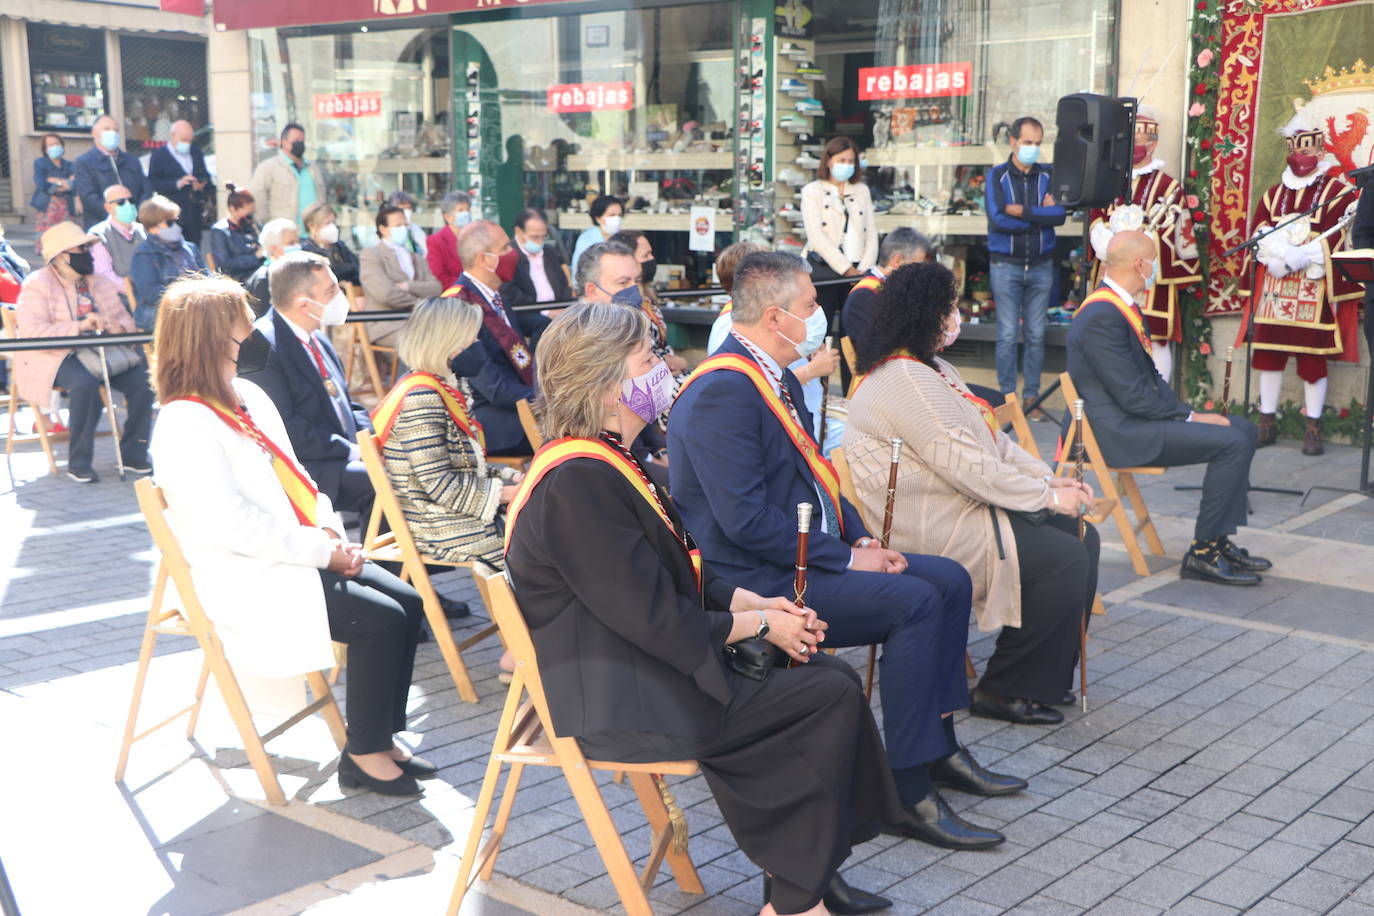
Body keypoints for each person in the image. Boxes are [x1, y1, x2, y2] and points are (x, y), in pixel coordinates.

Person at [509, 300, 905, 916]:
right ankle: (799, 897)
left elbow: (682, 569)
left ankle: (804, 879)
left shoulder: (608, 458)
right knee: (822, 694)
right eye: (649, 357)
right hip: (624, 695)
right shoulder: (578, 482)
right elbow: (654, 619)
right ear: (609, 387)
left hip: (641, 663)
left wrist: (756, 603)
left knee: (825, 675)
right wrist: (763, 625)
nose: (666, 367)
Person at [669, 251, 1021, 851]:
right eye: (810, 306)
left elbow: (816, 475)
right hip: (757, 578)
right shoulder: (723, 391)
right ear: (775, 317)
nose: (819, 317)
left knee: (948, 580)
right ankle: (907, 790)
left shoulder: (770, 375)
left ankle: (937, 748)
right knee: (914, 602)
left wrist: (857, 534)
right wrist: (846, 558)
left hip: (800, 552)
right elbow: (743, 522)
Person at [148, 274, 430, 797]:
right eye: (242, 329)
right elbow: (231, 523)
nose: (253, 336)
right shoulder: (184, 422)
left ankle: (379, 736)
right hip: (247, 570)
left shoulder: (246, 394)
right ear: (213, 339)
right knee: (381, 620)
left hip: (293, 550)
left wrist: (328, 532)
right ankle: (364, 753)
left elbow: (296, 475)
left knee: (409, 604)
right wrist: (322, 551)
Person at [846, 261, 1099, 725]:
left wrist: (1047, 482)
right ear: (925, 314)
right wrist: (1044, 497)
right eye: (949, 308)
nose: (955, 317)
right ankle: (1004, 688)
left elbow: (993, 443)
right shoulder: (904, 379)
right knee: (1063, 557)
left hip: (960, 501)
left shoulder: (931, 368)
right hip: (932, 522)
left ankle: (1044, 675)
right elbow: (964, 464)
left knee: (1080, 533)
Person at [1068, 231, 1270, 586]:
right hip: (1117, 433)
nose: (1156, 270)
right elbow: (1132, 395)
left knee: (1243, 429)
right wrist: (1190, 417)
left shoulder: (1118, 305)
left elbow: (1149, 381)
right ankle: (1202, 553)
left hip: (1132, 419)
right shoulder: (1102, 314)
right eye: (1154, 262)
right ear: (1139, 264)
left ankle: (1218, 540)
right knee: (1232, 442)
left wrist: (1190, 414)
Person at [1238, 107, 1362, 455]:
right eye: (1295, 151)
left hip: (1312, 287)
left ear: (1321, 152)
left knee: (1312, 359)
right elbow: (1259, 231)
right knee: (1269, 354)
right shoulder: (1273, 193)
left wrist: (1305, 256)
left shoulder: (1338, 191)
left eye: (1308, 151)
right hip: (1275, 288)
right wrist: (1275, 257)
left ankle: (1313, 426)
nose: (1300, 158)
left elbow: (1341, 236)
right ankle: (1266, 420)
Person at [371, 297, 518, 567]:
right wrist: (509, 493)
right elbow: (440, 484)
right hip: (440, 525)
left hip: (453, 512)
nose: (478, 346)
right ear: (446, 343)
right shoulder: (420, 397)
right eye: (471, 340)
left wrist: (514, 478)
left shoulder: (442, 385)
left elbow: (467, 467)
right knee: (544, 540)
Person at [14, 222, 153, 482]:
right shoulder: (37, 284)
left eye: (88, 248)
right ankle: (78, 462)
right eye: (82, 249)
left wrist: (117, 326)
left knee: (144, 382)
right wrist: (79, 326)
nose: (88, 253)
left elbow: (126, 320)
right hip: (55, 355)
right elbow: (32, 331)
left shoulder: (99, 281)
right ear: (61, 256)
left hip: (103, 352)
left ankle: (134, 455)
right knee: (84, 384)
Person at [239, 250, 374, 516]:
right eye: (331, 291)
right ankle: (382, 546)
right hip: (303, 467)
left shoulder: (317, 336)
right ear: (303, 304)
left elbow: (346, 403)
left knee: (399, 469)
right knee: (381, 482)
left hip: (338, 454)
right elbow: (284, 428)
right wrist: (354, 452)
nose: (340, 295)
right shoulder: (260, 346)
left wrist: (370, 439)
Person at [1087, 106, 1200, 383]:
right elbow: (1096, 217)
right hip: (1112, 269)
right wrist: (1102, 237)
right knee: (1111, 333)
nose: (1131, 149)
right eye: (1129, 143)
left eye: (1137, 142)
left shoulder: (1168, 187)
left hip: (1149, 274)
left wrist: (1147, 242)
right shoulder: (1110, 180)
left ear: (1152, 145)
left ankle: (1158, 394)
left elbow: (1180, 232)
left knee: (1155, 336)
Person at [706, 242, 842, 452]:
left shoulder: (764, 318)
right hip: (787, 433)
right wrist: (812, 370)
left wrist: (808, 345)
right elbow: (759, 385)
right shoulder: (731, 327)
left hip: (806, 424)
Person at [446, 220, 548, 456]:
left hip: (516, 405)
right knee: (577, 427)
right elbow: (495, 390)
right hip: (491, 421)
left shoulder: (494, 296)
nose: (513, 253)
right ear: (484, 259)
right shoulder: (459, 306)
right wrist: (549, 399)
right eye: (505, 248)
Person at [986, 116, 1066, 411]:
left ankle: (1032, 398)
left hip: (1041, 265)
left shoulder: (1049, 174)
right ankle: (1007, 399)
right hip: (1005, 265)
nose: (1033, 148)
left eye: (1038, 143)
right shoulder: (997, 176)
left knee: (1036, 335)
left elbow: (1060, 215)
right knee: (1007, 335)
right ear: (1013, 142)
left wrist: (1022, 211)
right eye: (1028, 142)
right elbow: (997, 219)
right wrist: (1039, 218)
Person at [800, 137, 878, 325]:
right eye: (842, 160)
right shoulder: (812, 191)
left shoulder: (861, 190)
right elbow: (815, 235)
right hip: (826, 267)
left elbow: (871, 232)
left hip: (858, 266)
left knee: (855, 324)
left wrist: (864, 268)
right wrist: (846, 269)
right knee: (821, 322)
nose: (847, 165)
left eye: (851, 161)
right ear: (828, 161)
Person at [840, 226, 934, 356]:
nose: (922, 273)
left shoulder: (896, 287)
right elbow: (878, 347)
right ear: (897, 261)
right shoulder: (864, 295)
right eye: (919, 265)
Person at [359, 204, 443, 346]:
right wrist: (421, 304)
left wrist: (408, 286)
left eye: (405, 225)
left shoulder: (416, 257)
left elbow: (436, 288)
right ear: (383, 229)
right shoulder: (371, 255)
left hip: (419, 321)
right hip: (387, 325)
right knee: (429, 341)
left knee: (453, 334)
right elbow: (386, 294)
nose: (403, 229)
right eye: (398, 225)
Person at [129, 194, 208, 331]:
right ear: (152, 227)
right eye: (170, 223)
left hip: (196, 312)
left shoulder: (190, 248)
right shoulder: (144, 254)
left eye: (177, 221)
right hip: (162, 319)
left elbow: (208, 278)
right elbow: (151, 293)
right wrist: (188, 296)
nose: (175, 226)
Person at [73, 115, 149, 229]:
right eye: (107, 129)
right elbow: (89, 197)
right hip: (103, 226)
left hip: (136, 224)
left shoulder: (132, 160)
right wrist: (116, 217)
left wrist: (136, 213)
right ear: (94, 133)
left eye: (116, 130)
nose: (112, 133)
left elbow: (146, 189)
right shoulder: (84, 162)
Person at [147, 119, 213, 246]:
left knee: (194, 246)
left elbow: (205, 176)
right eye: (183, 140)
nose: (186, 144)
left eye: (189, 141)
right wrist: (178, 184)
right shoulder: (159, 156)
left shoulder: (196, 152)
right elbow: (154, 183)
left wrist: (201, 184)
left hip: (193, 211)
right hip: (171, 212)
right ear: (172, 135)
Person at [249, 123, 326, 228]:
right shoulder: (269, 167)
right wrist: (267, 224)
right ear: (284, 142)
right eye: (296, 140)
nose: (299, 143)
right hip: (284, 232)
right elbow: (258, 197)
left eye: (302, 140)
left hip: (314, 231)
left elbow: (321, 197)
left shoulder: (312, 168)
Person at [89, 185, 148, 307]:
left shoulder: (143, 230)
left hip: (150, 295)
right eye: (121, 202)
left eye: (130, 200)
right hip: (121, 302)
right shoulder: (99, 235)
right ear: (108, 207)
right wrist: (136, 290)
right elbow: (105, 275)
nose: (128, 205)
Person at [502, 208, 572, 308]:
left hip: (558, 308)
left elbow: (563, 284)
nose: (540, 242)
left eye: (543, 236)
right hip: (528, 310)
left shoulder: (550, 252)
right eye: (534, 237)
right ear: (518, 231)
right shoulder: (506, 255)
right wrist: (544, 310)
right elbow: (509, 292)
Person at [207, 182, 263, 285]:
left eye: (252, 214)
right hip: (236, 280)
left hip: (257, 276)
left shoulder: (253, 226)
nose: (250, 218)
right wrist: (255, 257)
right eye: (248, 214)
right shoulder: (220, 231)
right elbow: (224, 265)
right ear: (233, 209)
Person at [244, 218, 301, 317]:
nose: (297, 246)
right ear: (274, 248)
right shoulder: (263, 279)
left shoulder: (296, 272)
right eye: (291, 243)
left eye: (297, 242)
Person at [300, 202, 360, 287]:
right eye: (327, 223)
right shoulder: (305, 251)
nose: (333, 227)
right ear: (311, 226)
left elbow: (357, 270)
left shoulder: (340, 247)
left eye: (334, 222)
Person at [31, 134, 79, 233]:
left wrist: (56, 181)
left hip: (67, 207)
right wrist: (64, 184)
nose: (55, 147)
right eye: (51, 145)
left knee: (67, 236)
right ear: (45, 149)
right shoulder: (39, 163)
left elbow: (75, 185)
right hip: (46, 207)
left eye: (57, 144)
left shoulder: (70, 165)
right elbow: (42, 185)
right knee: (47, 237)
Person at [425, 191, 472, 290]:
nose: (466, 213)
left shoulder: (474, 237)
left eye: (468, 210)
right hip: (453, 293)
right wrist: (467, 288)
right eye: (460, 210)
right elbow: (438, 277)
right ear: (448, 217)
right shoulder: (436, 241)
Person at [569, 194, 623, 276]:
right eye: (612, 215)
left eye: (620, 215)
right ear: (598, 218)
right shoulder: (586, 240)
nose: (617, 219)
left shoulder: (622, 238)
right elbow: (580, 272)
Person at [385, 190, 428, 256]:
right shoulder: (388, 229)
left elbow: (426, 250)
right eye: (402, 209)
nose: (407, 212)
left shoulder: (414, 228)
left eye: (409, 208)